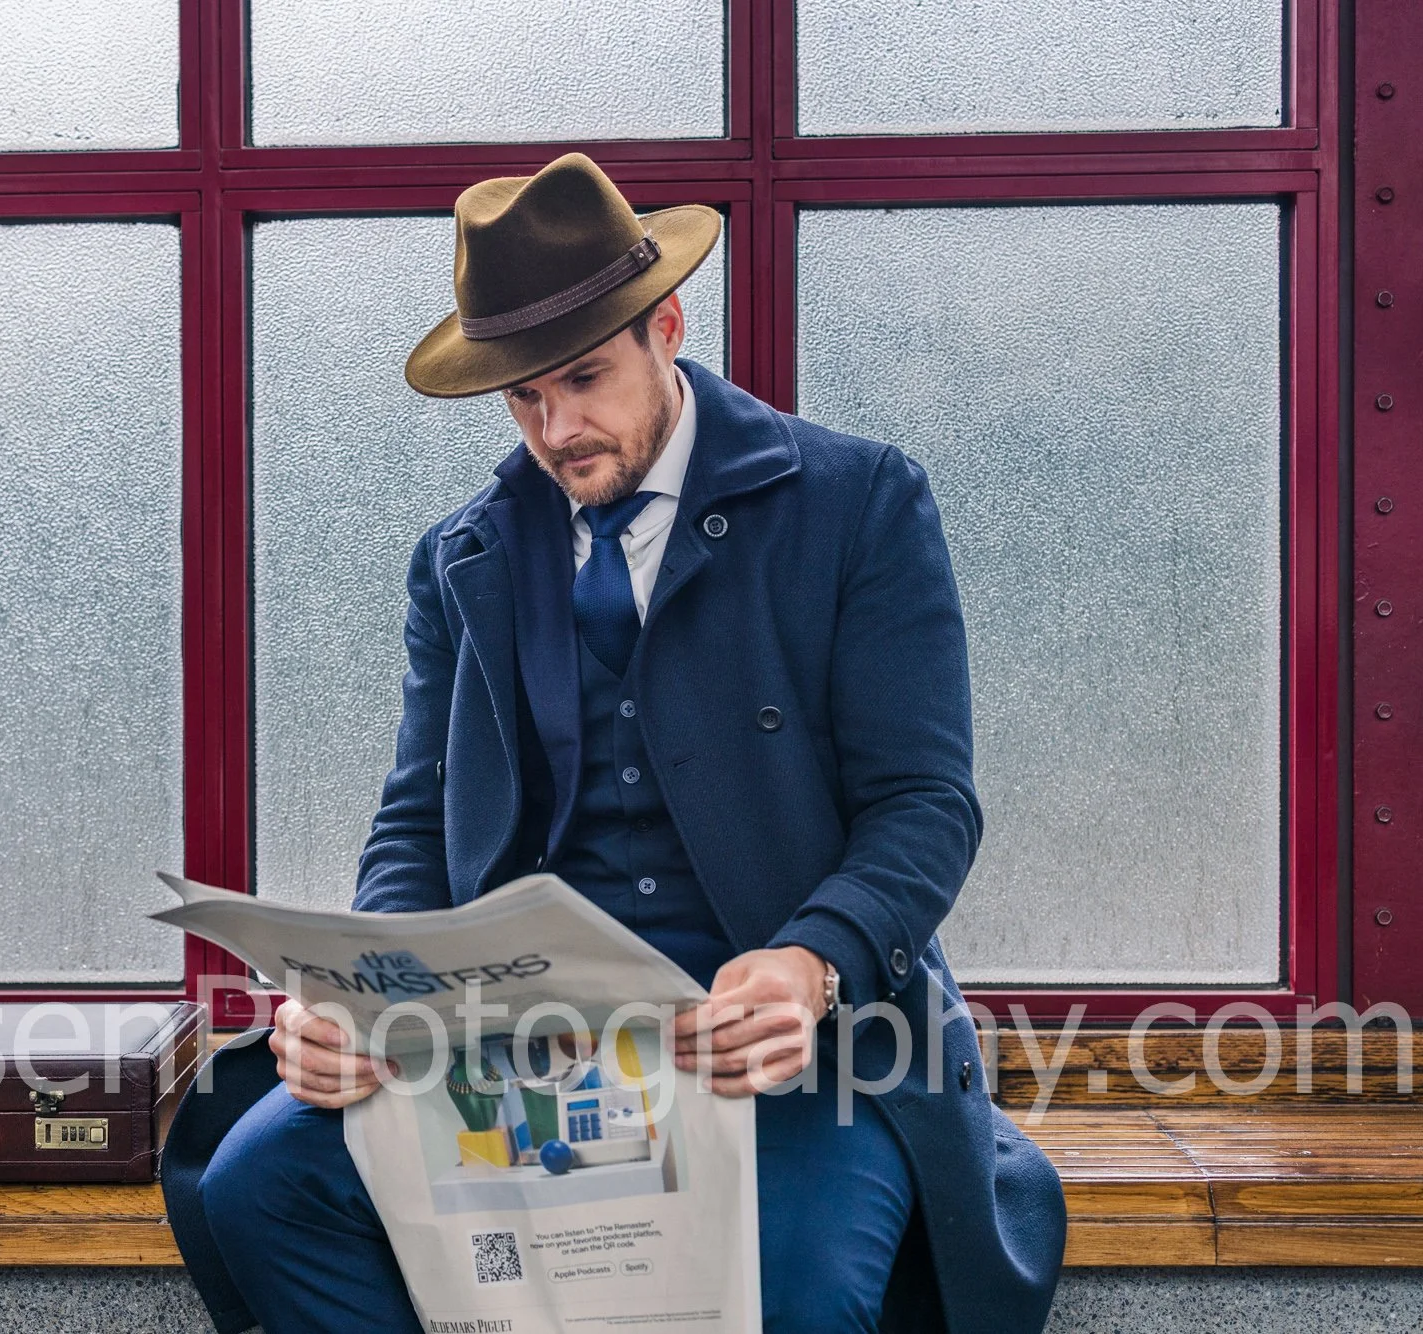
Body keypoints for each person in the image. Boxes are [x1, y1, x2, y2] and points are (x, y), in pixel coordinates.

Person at [160, 152, 1066, 1334]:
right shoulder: (462, 557)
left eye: (583, 378)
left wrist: (811, 961)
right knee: (259, 1185)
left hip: (789, 1043)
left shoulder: (858, 503)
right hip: (528, 1039)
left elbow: (925, 803)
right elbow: (416, 819)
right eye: (524, 398)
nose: (557, 427)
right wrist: (365, 1001)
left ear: (666, 329)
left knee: (794, 1297)